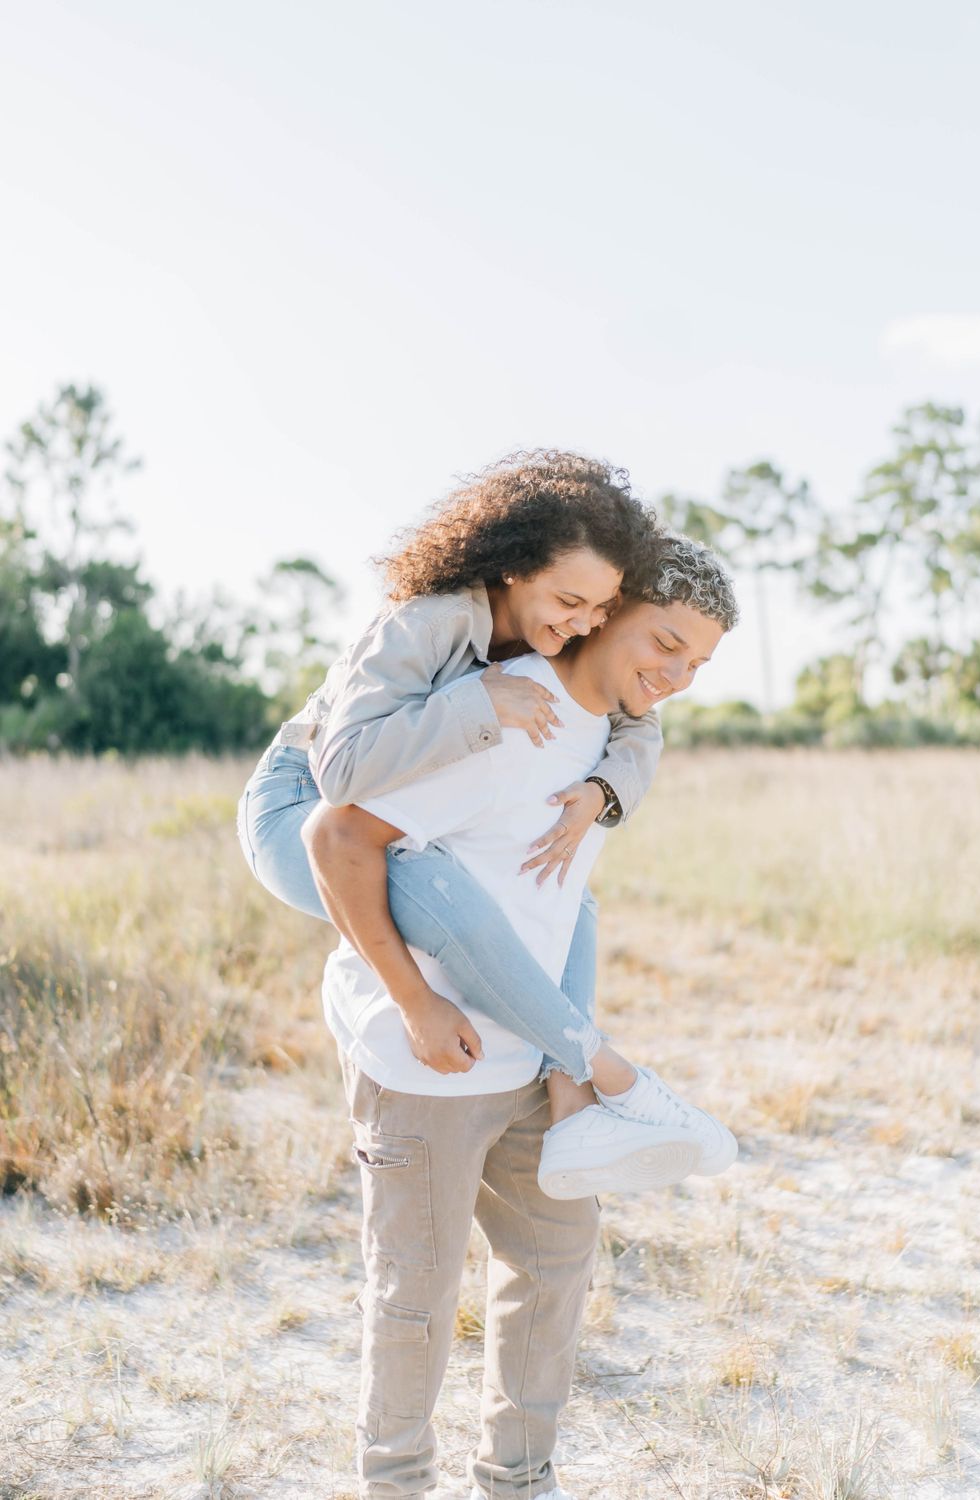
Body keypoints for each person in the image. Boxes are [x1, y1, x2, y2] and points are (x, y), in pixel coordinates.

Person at [313, 537, 738, 1498]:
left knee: (554, 1266)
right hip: (430, 1065)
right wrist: (413, 1001)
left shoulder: (609, 738)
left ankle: (518, 1480)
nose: (676, 677)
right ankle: (395, 1484)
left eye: (699, 664)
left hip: (535, 1066)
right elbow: (337, 836)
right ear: (607, 611)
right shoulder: (507, 716)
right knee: (417, 1294)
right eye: (665, 644)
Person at [237, 451, 664, 1117]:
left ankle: (565, 1092)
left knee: (571, 898)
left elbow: (638, 720)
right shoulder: (426, 622)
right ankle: (604, 1076)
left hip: (396, 810)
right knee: (453, 900)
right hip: (299, 803)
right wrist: (477, 706)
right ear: (515, 566)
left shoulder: (558, 625)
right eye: (570, 602)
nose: (585, 624)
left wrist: (605, 791)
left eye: (600, 608)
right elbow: (340, 774)